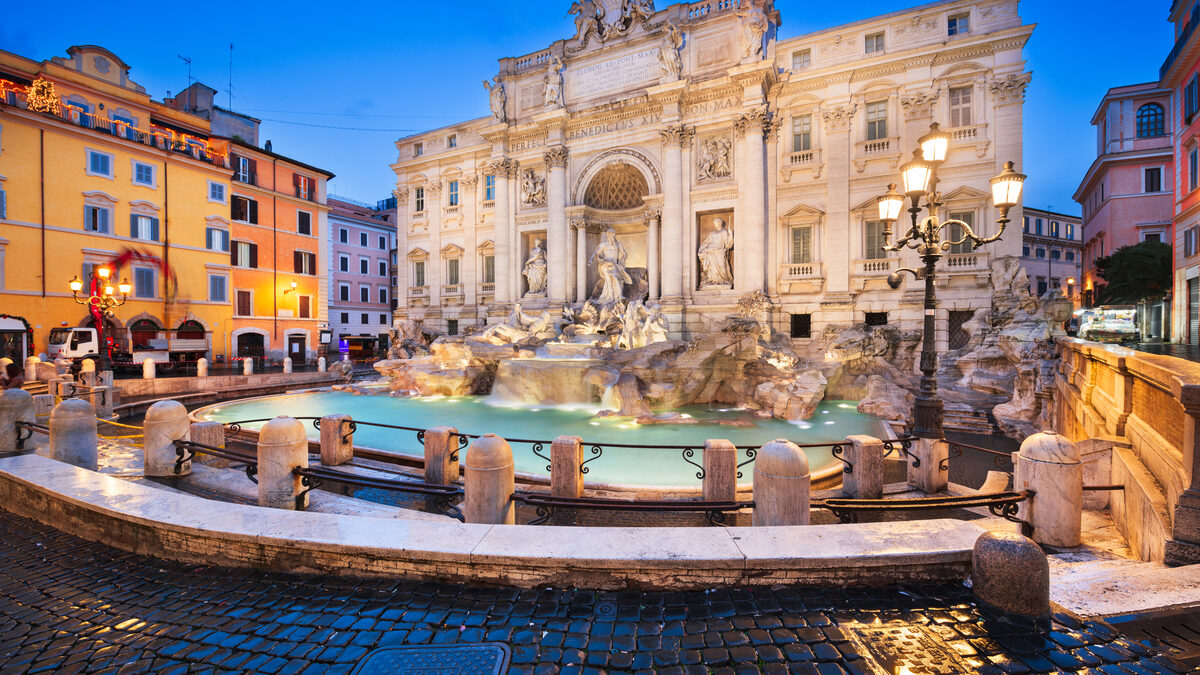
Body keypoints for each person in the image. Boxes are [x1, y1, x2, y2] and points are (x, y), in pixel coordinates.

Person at [589, 228, 631, 305]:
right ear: (608, 235)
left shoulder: (618, 244)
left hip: (614, 264)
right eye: (611, 234)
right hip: (605, 263)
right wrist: (590, 260)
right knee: (608, 278)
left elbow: (625, 254)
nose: (613, 235)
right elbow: (596, 253)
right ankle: (611, 296)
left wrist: (622, 260)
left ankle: (617, 296)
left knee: (614, 276)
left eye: (614, 234)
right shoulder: (603, 244)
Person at [698, 218, 734, 287]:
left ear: (720, 223)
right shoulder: (712, 233)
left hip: (719, 251)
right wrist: (702, 249)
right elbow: (707, 242)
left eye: (716, 223)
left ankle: (722, 280)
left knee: (721, 266)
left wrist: (730, 234)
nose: (715, 224)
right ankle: (712, 280)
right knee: (711, 268)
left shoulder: (724, 232)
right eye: (714, 223)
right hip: (710, 251)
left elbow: (728, 244)